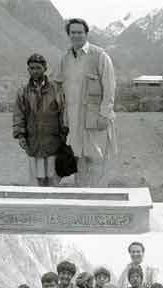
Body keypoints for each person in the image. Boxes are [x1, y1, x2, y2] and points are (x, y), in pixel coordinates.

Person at [57, 18, 116, 187]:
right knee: (78, 157)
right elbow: (60, 85)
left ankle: (98, 197)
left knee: (96, 158)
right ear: (69, 35)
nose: (76, 35)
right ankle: (82, 195)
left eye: (80, 32)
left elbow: (110, 89)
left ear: (86, 34)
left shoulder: (100, 56)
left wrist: (104, 115)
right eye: (73, 32)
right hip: (73, 120)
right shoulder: (65, 58)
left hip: (94, 118)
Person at [13, 53, 64, 186]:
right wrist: (20, 136)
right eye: (31, 68)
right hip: (33, 143)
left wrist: (64, 137)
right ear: (28, 70)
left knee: (53, 180)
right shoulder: (23, 92)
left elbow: (63, 115)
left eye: (38, 68)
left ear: (45, 68)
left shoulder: (56, 90)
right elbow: (19, 115)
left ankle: (53, 206)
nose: (34, 71)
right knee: (36, 181)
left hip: (53, 143)